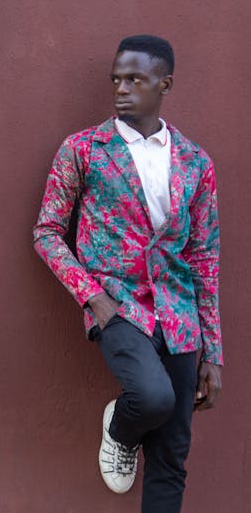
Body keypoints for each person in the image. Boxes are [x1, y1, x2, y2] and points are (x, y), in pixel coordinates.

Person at [33, 35, 222, 512]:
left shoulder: (196, 162)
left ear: (165, 84)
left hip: (179, 319)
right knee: (152, 398)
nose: (121, 89)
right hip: (118, 306)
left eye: (135, 79)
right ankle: (120, 428)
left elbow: (204, 256)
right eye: (116, 79)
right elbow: (48, 232)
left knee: (172, 456)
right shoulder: (84, 149)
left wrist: (213, 353)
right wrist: (93, 298)